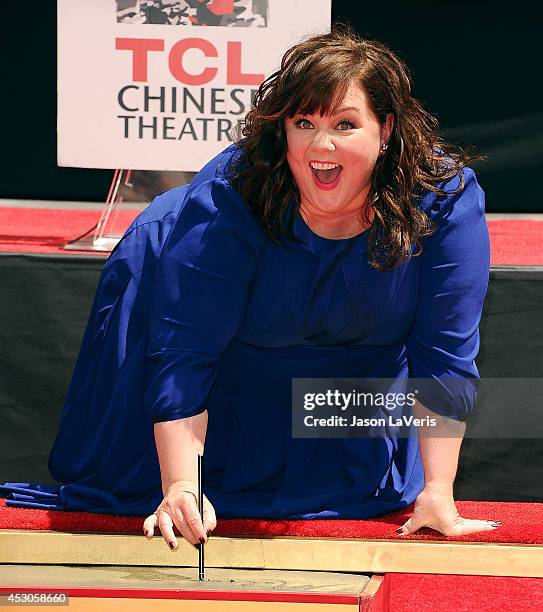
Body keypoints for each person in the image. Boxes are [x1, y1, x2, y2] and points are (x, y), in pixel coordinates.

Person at [1, 27, 499, 549]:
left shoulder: (443, 200)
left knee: (363, 489)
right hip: (200, 322)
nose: (320, 145)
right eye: (303, 122)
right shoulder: (230, 194)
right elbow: (185, 351)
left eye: (345, 125)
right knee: (180, 490)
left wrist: (439, 490)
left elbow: (444, 353)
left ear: (387, 129)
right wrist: (179, 485)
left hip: (345, 366)